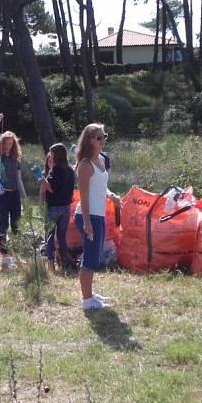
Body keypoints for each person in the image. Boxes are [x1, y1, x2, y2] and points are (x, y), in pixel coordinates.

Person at [74, 124, 112, 311]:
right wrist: (87, 222)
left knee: (95, 257)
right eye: (98, 137)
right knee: (90, 258)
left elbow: (101, 186)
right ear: (89, 140)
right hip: (87, 216)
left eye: (104, 136)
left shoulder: (102, 160)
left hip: (99, 215)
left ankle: (90, 293)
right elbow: (84, 195)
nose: (102, 139)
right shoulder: (85, 165)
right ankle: (87, 300)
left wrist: (112, 196)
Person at [0, 114, 26, 267]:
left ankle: (16, 253)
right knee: (4, 224)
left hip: (14, 194)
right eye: (6, 143)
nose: (8, 145)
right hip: (2, 194)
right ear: (2, 143)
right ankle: (5, 255)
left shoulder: (16, 159)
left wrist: (24, 196)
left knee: (17, 225)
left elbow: (19, 179)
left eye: (11, 143)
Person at [39, 143, 75, 270]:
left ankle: (50, 263)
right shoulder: (70, 170)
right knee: (61, 237)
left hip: (53, 208)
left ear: (57, 155)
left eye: (52, 153)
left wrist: (41, 179)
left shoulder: (56, 169)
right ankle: (65, 263)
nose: (50, 156)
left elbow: (51, 188)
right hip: (66, 208)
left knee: (49, 236)